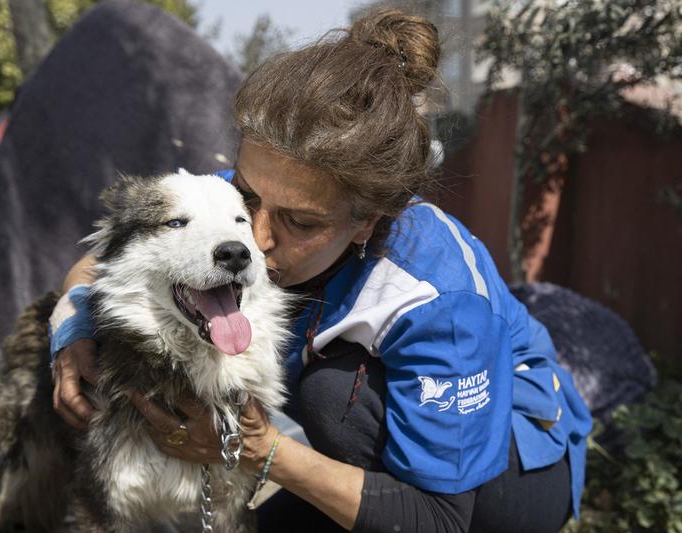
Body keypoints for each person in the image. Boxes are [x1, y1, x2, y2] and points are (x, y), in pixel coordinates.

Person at [50, 10, 592, 533]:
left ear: (365, 223)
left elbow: (442, 518)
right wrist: (72, 329)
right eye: (247, 197)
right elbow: (113, 253)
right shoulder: (271, 185)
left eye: (300, 223)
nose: (255, 241)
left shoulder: (438, 299)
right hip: (364, 465)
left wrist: (259, 451)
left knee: (333, 395)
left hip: (507, 472)